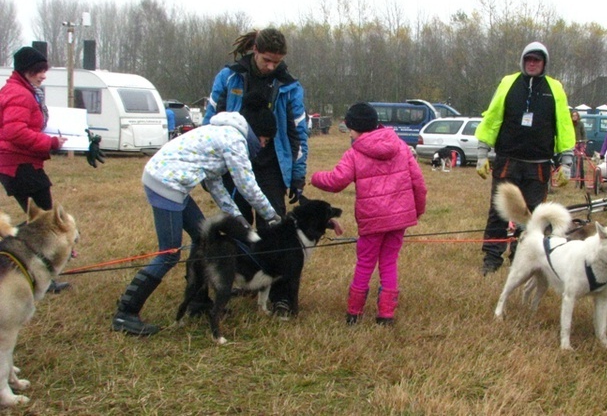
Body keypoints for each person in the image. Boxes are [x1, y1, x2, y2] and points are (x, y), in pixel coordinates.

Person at [111, 109, 282, 336]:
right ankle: (126, 312)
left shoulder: (221, 133)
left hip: (169, 181)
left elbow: (215, 184)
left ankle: (198, 302)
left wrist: (237, 217)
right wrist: (272, 215)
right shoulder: (235, 141)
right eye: (264, 139)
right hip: (166, 183)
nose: (262, 145)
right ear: (253, 133)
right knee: (170, 252)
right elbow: (247, 185)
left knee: (203, 238)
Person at [203, 28, 308, 318]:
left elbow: (298, 132)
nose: (271, 66)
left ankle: (282, 297)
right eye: (266, 60)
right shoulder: (229, 77)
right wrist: (208, 166)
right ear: (255, 51)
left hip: (271, 165)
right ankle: (234, 283)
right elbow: (209, 121)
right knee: (236, 225)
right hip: (232, 160)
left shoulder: (290, 86)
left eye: (277, 61)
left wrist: (298, 175)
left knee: (275, 230)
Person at [310, 103, 427, 325]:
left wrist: (315, 177)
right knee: (389, 262)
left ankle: (354, 313)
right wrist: (416, 211)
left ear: (353, 127)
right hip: (398, 220)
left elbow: (336, 181)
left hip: (372, 220)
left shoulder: (354, 153)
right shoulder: (401, 146)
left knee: (365, 263)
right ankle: (386, 315)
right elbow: (419, 184)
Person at [474, 41, 575, 275]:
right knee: (499, 211)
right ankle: (491, 258)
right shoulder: (508, 83)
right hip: (508, 159)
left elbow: (564, 124)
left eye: (537, 60)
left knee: (532, 214)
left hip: (538, 165)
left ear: (544, 63)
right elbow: (492, 118)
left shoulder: (555, 88)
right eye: (528, 59)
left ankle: (521, 256)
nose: (532, 63)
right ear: (522, 60)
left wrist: (566, 163)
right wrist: (482, 154)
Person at [0, 46, 71, 293]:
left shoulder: (22, 90)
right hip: (20, 166)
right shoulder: (19, 94)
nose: (43, 75)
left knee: (41, 221)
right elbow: (14, 132)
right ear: (25, 70)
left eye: (44, 71)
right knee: (44, 224)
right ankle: (34, 270)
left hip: (22, 164)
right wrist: (49, 143)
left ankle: (36, 271)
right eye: (39, 71)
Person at [569, 111, 587, 180]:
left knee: (579, 159)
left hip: (579, 143)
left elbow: (584, 133)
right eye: (573, 116)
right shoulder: (569, 124)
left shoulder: (581, 124)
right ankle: (572, 173)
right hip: (571, 143)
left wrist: (584, 142)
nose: (574, 117)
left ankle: (579, 173)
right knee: (571, 159)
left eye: (576, 115)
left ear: (578, 116)